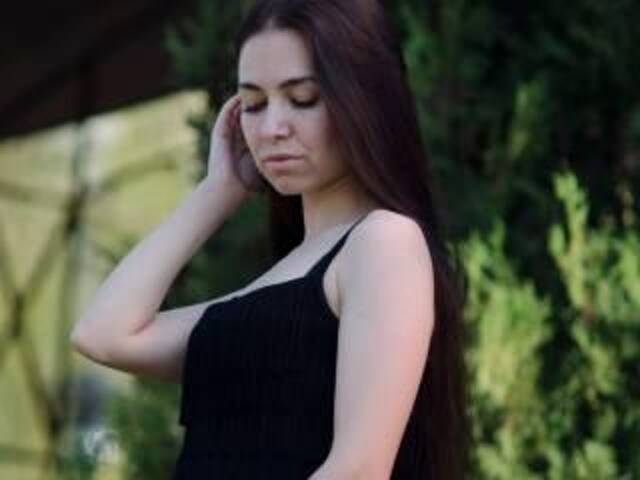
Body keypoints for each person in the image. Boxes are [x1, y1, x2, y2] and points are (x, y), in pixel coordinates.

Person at [70, 0, 467, 478]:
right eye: (254, 105)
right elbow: (104, 333)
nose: (272, 129)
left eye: (302, 98)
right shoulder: (286, 275)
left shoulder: (384, 242)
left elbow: (359, 469)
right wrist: (218, 191)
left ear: (363, 99)